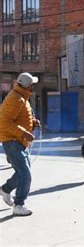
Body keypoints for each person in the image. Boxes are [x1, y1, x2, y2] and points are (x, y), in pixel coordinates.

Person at [0, 72, 40, 216]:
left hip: (17, 141)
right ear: (28, 85)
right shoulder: (16, 98)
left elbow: (20, 118)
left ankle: (5, 189)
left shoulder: (22, 97)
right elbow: (4, 122)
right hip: (12, 141)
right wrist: (24, 133)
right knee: (25, 174)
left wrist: (33, 123)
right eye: (32, 84)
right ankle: (19, 205)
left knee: (22, 171)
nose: (34, 86)